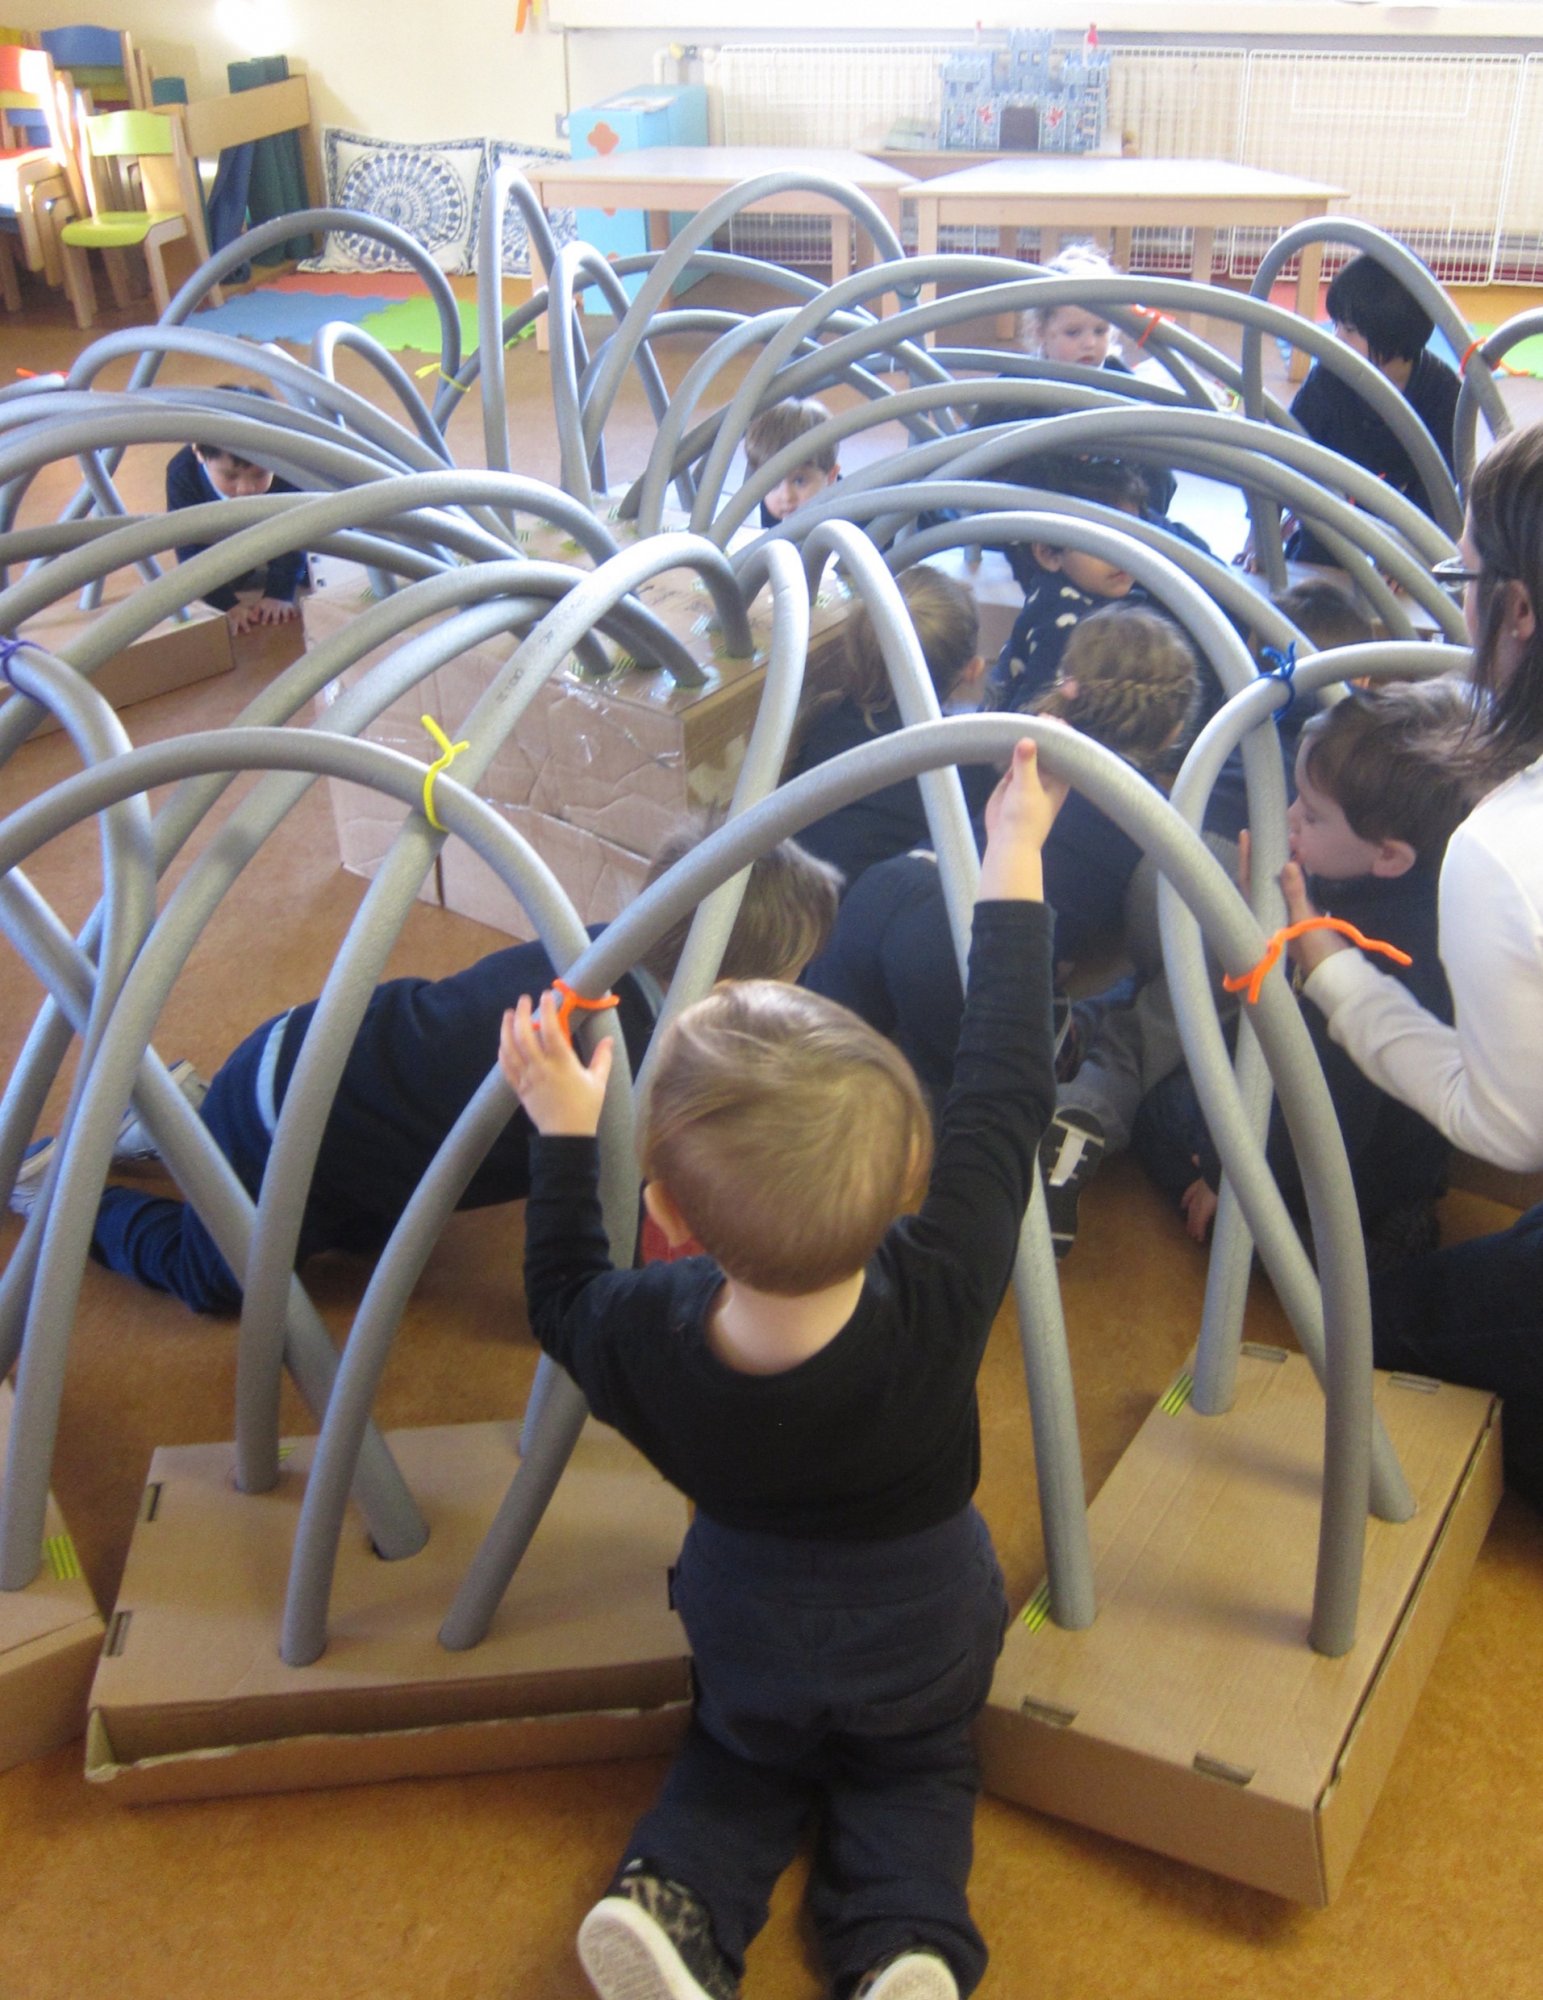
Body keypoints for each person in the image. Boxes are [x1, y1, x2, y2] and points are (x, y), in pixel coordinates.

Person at [503, 738, 1061, 2000]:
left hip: (745, 1620)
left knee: (737, 1757)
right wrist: (1014, 850)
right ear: (906, 1184)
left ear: (672, 1217)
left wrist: (562, 1133)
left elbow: (555, 1294)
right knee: (917, 1766)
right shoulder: (943, 1281)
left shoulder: (646, 1325)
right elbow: (1006, 1078)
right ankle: (907, 1941)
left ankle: (675, 1903)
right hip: (924, 1619)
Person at [10, 836, 841, 1316]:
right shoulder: (629, 1065)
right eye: (794, 973)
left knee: (373, 1235)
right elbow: (611, 1221)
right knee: (224, 1283)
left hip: (307, 1053)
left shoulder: (611, 939)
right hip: (290, 1124)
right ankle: (61, 1186)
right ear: (736, 981)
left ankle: (180, 1119)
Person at [1285, 421, 1543, 1508]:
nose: (1461, 604)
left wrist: (1331, 970)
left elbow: (1508, 1129)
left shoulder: (1502, 848)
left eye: (1467, 578)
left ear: (1518, 610)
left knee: (1372, 1329)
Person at [803, 609, 1198, 1254]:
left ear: (1067, 681)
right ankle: (881, 1224)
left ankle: (770, 1165)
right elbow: (1115, 938)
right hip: (958, 945)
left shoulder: (1014, 738)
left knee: (814, 1052)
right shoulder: (1147, 815)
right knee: (961, 1107)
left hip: (892, 883)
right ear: (1176, 730)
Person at [1132, 678, 1476, 1261]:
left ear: (1389, 854)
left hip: (1338, 1171)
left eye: (1312, 817)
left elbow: (1318, 1109)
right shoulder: (1423, 889)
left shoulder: (1360, 962)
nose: (1289, 819)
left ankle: (1336, 1246)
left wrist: (1223, 1172)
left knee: (1161, 1114)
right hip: (1400, 1153)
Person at [788, 565, 994, 889]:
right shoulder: (969, 764)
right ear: (972, 670)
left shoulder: (824, 724)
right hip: (869, 928)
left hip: (798, 912)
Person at [1282, 253, 1459, 565]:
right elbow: (1286, 446)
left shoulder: (1441, 392)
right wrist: (1262, 527)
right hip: (1331, 500)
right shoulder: (1330, 376)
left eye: (1349, 330)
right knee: (1314, 555)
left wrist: (1412, 552)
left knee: (1410, 570)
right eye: (1336, 325)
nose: (1336, 338)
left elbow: (1438, 488)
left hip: (1401, 509)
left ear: (1391, 333)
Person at [983, 454, 1151, 711]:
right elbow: (1033, 712)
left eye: (1132, 537)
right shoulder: (1062, 622)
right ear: (1049, 554)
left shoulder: (1076, 589)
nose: (1122, 554)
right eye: (1102, 542)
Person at [166, 391, 310, 635]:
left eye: (260, 474)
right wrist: (225, 604)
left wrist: (279, 592)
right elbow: (189, 549)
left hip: (279, 528)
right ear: (199, 454)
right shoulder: (183, 474)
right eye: (230, 476)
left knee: (315, 542)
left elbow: (299, 531)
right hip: (220, 538)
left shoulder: (289, 466)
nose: (246, 488)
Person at [742, 397, 840, 530]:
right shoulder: (773, 512)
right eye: (773, 483)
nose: (786, 496)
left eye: (799, 481)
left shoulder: (850, 516)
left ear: (830, 476)